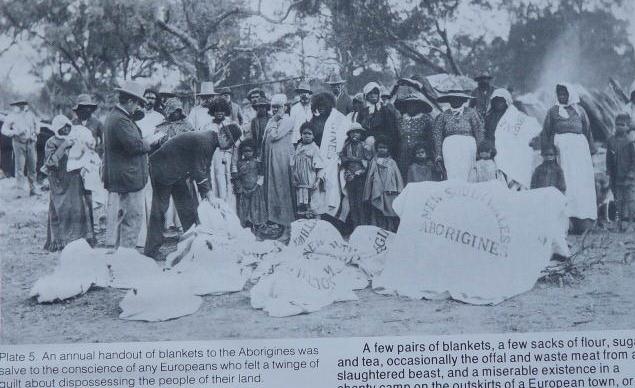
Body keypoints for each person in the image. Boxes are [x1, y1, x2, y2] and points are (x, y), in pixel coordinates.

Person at [144, 125, 242, 258]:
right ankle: (151, 250)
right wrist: (208, 194)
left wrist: (208, 195)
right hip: (162, 169)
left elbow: (205, 169)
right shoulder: (205, 141)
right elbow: (198, 170)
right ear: (224, 136)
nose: (229, 147)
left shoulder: (210, 140)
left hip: (177, 172)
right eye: (230, 143)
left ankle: (192, 243)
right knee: (160, 209)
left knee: (187, 208)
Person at [103, 81, 163, 250]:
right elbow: (134, 145)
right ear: (130, 101)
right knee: (132, 219)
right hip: (129, 177)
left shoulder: (115, 117)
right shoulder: (121, 120)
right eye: (137, 103)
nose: (137, 107)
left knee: (124, 218)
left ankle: (120, 254)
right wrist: (150, 142)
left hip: (123, 176)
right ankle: (126, 257)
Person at [541, 82, 597, 233]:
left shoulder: (580, 111)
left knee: (580, 185)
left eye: (565, 94)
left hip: (580, 155)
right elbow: (545, 132)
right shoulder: (553, 112)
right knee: (565, 182)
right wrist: (547, 151)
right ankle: (565, 220)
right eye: (560, 94)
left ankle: (583, 220)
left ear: (570, 94)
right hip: (562, 153)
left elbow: (587, 131)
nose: (562, 96)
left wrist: (591, 153)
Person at [41, 115, 95, 251]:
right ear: (57, 128)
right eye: (62, 127)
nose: (65, 130)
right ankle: (60, 240)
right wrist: (64, 146)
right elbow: (50, 163)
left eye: (67, 126)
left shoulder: (75, 138)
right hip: (59, 180)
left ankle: (78, 239)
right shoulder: (51, 142)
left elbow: (86, 153)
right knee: (61, 209)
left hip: (73, 178)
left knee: (77, 208)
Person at [485, 88, 541, 190]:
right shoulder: (489, 117)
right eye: (496, 100)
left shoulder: (514, 115)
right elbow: (487, 133)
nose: (499, 103)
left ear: (507, 102)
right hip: (494, 149)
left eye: (501, 101)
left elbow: (527, 126)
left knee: (514, 164)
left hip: (511, 148)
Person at [308, 92, 349, 227]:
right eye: (318, 106)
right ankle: (322, 222)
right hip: (318, 159)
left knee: (334, 191)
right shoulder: (314, 120)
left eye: (323, 105)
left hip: (333, 160)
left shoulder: (338, 119)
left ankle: (337, 223)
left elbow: (343, 138)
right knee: (319, 192)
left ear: (330, 105)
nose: (321, 108)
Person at [261, 94, 295, 242]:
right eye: (273, 107)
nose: (275, 110)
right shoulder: (271, 120)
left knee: (282, 191)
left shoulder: (287, 120)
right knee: (271, 191)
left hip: (281, 161)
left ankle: (287, 227)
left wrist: (274, 121)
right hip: (270, 160)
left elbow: (275, 136)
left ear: (285, 107)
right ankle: (276, 225)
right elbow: (264, 140)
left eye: (278, 107)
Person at [432, 92, 484, 181]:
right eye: (452, 99)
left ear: (463, 100)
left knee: (469, 170)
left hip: (468, 146)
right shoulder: (443, 115)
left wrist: (480, 150)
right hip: (450, 147)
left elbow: (479, 131)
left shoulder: (471, 113)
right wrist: (439, 154)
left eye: (458, 98)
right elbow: (438, 135)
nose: (455, 101)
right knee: (452, 170)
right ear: (449, 101)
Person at [204, 98, 241, 210]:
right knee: (214, 183)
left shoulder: (232, 124)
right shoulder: (208, 126)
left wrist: (234, 166)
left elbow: (236, 145)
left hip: (227, 158)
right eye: (216, 110)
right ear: (212, 112)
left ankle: (229, 214)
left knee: (226, 184)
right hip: (213, 159)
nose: (219, 113)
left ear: (226, 111)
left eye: (222, 110)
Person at [363, 137, 403, 232]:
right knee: (378, 210)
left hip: (389, 191)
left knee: (389, 211)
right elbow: (369, 176)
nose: (382, 149)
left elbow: (398, 177)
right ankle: (379, 229)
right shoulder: (374, 161)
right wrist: (368, 190)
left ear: (388, 149)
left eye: (384, 147)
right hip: (377, 189)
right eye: (380, 147)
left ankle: (390, 229)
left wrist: (400, 190)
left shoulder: (392, 162)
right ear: (377, 148)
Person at [1, 100, 39, 196]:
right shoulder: (11, 116)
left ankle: (33, 189)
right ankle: (20, 191)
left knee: (32, 166)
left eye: (23, 104)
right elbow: (4, 130)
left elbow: (37, 124)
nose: (22, 106)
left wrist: (35, 132)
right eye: (19, 104)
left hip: (30, 142)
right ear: (15, 105)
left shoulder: (30, 114)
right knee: (19, 167)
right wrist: (14, 132)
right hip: (18, 143)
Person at [394, 87, 434, 178]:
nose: (411, 106)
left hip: (420, 155)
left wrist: (430, 156)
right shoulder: (400, 120)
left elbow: (431, 139)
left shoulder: (426, 119)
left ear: (419, 105)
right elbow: (396, 138)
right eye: (408, 104)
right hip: (402, 154)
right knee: (404, 176)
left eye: (414, 104)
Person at [606, 113, 635, 231]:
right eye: (617, 124)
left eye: (622, 125)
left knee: (630, 199)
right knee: (617, 199)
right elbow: (608, 157)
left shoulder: (630, 142)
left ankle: (630, 223)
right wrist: (608, 172)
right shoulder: (611, 140)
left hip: (628, 175)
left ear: (628, 126)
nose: (619, 127)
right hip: (615, 175)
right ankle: (618, 222)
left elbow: (634, 160)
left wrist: (631, 174)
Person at [340, 122, 369, 230]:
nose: (355, 135)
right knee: (352, 203)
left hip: (361, 177)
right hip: (349, 176)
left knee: (361, 202)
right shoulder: (347, 146)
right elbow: (342, 157)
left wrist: (360, 168)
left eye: (357, 132)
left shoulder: (364, 146)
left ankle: (363, 227)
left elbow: (367, 161)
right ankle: (355, 226)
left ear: (361, 134)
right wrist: (347, 164)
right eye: (352, 133)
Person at [357, 82, 400, 157]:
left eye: (375, 93)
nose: (373, 95)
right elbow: (358, 128)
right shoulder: (362, 111)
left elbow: (391, 130)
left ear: (379, 95)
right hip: (365, 145)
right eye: (370, 93)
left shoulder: (385, 110)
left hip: (381, 145)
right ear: (366, 95)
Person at [291, 123, 324, 218]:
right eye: (304, 133)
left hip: (311, 181)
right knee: (302, 204)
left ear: (313, 136)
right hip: (300, 182)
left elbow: (320, 167)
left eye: (309, 134)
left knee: (313, 204)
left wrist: (317, 181)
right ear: (301, 135)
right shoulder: (298, 147)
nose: (307, 136)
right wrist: (294, 178)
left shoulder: (315, 148)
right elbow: (293, 165)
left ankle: (317, 224)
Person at [235, 139, 267, 231]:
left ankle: (257, 224)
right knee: (245, 207)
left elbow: (261, 175)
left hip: (255, 189)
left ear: (254, 151)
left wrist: (257, 186)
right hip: (244, 189)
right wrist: (240, 183)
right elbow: (237, 177)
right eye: (245, 151)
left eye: (250, 151)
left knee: (255, 207)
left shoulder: (257, 162)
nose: (247, 153)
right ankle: (247, 224)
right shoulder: (240, 163)